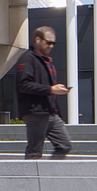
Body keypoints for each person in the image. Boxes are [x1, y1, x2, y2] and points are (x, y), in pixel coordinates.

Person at [14, 26, 72, 159]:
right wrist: (51, 89)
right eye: (48, 42)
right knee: (34, 152)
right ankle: (30, 178)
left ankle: (48, 173)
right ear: (38, 40)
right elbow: (23, 85)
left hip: (51, 112)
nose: (51, 46)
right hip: (36, 113)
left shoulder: (47, 61)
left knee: (65, 145)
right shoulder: (28, 59)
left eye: (53, 43)